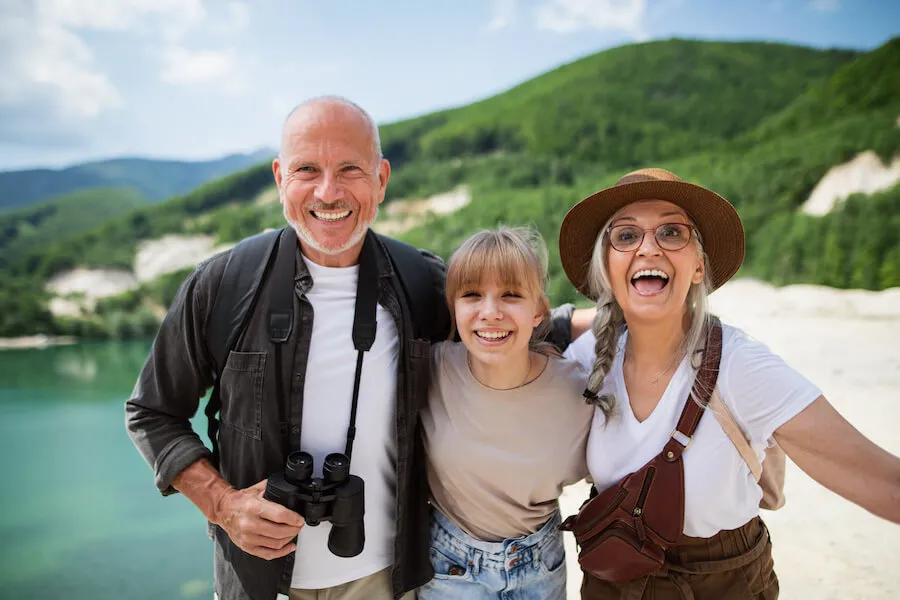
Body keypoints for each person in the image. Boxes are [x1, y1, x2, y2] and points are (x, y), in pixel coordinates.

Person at [125, 96, 591, 600]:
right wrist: (223, 505)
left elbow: (504, 327)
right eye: (308, 169)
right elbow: (152, 412)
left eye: (350, 169)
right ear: (280, 177)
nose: (329, 191)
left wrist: (635, 312)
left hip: (384, 579)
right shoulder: (224, 284)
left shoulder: (419, 282)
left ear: (381, 180)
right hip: (258, 581)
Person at [559, 168, 900, 599]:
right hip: (613, 581)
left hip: (723, 582)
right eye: (626, 236)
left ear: (699, 266)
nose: (648, 247)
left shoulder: (741, 366)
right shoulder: (589, 358)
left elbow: (882, 480)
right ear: (607, 267)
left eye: (671, 231)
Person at [418, 227, 594, 600]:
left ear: (537, 312)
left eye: (511, 295)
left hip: (541, 566)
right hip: (451, 566)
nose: (490, 313)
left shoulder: (577, 390)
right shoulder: (430, 370)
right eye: (472, 295)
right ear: (454, 307)